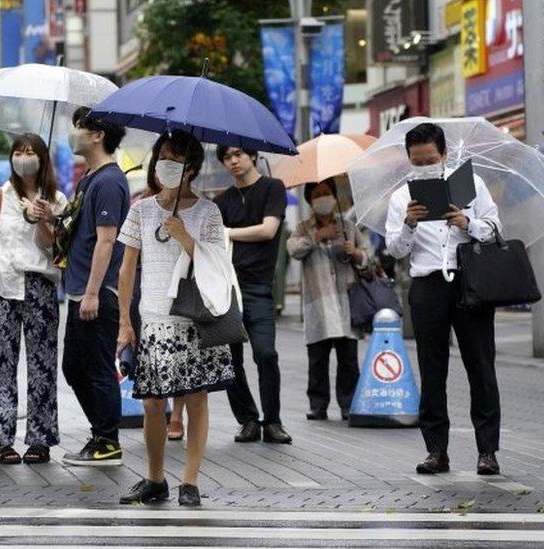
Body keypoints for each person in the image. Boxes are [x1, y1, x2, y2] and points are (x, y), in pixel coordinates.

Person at [116, 130, 234, 506]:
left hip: (194, 318)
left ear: (192, 168)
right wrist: (124, 321)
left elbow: (217, 264)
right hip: (153, 317)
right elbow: (126, 269)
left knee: (196, 398)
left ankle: (190, 481)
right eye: (162, 156)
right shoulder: (141, 209)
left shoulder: (208, 211)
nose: (165, 164)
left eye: (175, 159)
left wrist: (185, 236)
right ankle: (154, 478)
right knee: (152, 402)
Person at [384, 122, 502, 476]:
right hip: (427, 286)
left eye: (430, 159)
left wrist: (467, 222)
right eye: (417, 162)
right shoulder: (400, 197)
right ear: (409, 159)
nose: (425, 166)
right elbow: (395, 250)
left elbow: (496, 229)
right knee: (432, 371)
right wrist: (408, 224)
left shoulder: (472, 184)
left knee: (481, 367)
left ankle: (487, 451)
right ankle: (436, 450)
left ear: (444, 154)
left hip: (470, 282)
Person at [0, 133, 66, 465]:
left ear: (42, 159)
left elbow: (54, 249)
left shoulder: (58, 200)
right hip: (3, 284)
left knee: (42, 364)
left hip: (40, 285)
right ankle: (2, 439)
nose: (24, 157)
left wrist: (44, 219)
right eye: (18, 152)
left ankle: (40, 439)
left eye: (30, 152)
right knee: (0, 363)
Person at [60, 107, 129, 466]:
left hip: (96, 293)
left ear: (98, 134)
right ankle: (101, 434)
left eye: (79, 127)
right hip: (79, 289)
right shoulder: (90, 178)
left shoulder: (109, 181)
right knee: (74, 366)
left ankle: (108, 442)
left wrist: (91, 292)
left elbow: (107, 241)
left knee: (97, 367)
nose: (73, 134)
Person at [214, 145, 291, 444]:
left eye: (238, 155)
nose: (233, 161)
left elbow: (268, 230)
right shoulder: (221, 202)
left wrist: (228, 232)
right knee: (230, 358)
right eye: (227, 157)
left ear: (252, 156)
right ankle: (247, 420)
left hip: (258, 287)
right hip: (228, 287)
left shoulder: (273, 188)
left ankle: (273, 421)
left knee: (266, 353)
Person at [287, 179, 371, 421]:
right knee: (317, 360)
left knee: (348, 359)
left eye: (327, 193)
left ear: (334, 196)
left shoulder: (348, 226)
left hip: (347, 302)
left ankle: (348, 404)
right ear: (310, 200)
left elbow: (368, 257)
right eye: (317, 194)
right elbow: (293, 249)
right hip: (318, 304)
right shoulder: (303, 227)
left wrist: (355, 253)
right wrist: (317, 236)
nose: (323, 198)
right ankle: (318, 404)